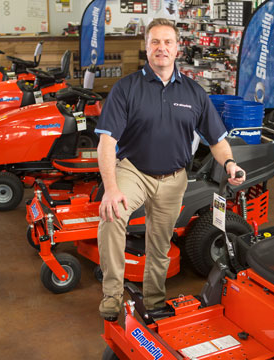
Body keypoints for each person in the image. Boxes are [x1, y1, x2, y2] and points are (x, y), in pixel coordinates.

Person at [95, 18, 246, 321]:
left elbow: (217, 139)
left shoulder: (193, 93)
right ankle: (111, 295)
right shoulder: (127, 88)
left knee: (160, 243)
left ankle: (153, 301)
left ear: (178, 49)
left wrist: (229, 162)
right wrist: (111, 189)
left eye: (167, 42)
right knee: (111, 216)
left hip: (174, 177)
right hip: (134, 171)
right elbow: (107, 142)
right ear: (147, 48)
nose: (161, 48)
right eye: (155, 42)